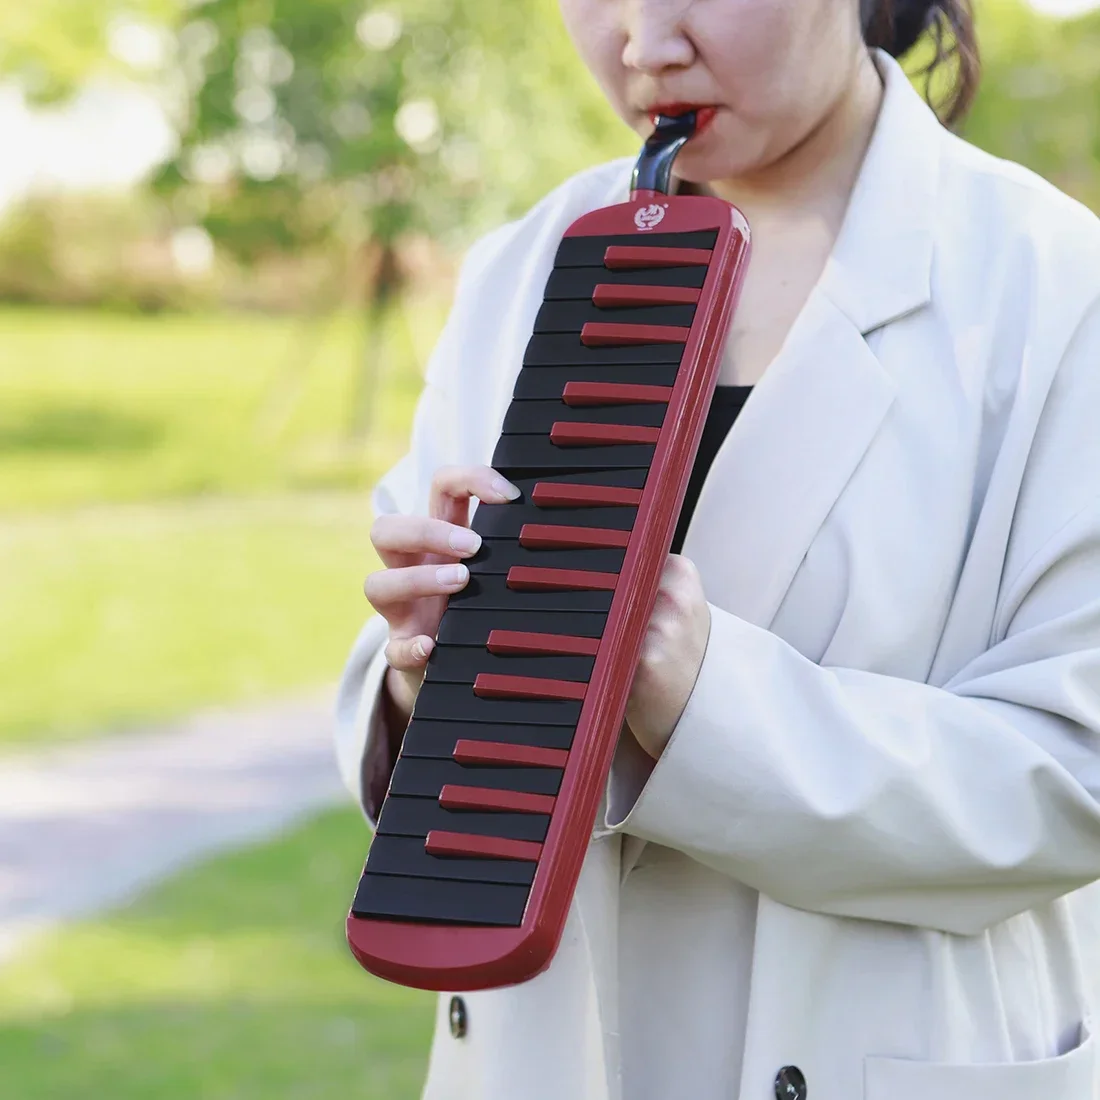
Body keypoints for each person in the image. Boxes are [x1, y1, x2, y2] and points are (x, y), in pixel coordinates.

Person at [335, 0, 1100, 1097]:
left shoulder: (1054, 289)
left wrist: (702, 697)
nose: (644, 43)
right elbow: (403, 697)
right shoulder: (516, 268)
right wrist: (423, 675)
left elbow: (1073, 771)